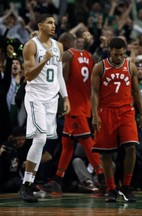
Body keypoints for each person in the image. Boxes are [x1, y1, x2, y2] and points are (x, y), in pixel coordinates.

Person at [37, 32, 106, 195]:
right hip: (84, 105)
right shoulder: (89, 56)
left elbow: (62, 81)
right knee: (67, 143)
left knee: (87, 142)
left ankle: (103, 178)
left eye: (60, 44)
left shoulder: (67, 55)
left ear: (66, 43)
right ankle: (57, 180)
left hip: (73, 107)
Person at [18, 14, 70, 202]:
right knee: (39, 139)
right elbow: (29, 75)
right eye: (49, 22)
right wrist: (44, 59)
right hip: (35, 97)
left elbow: (59, 76)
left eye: (54, 23)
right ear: (40, 25)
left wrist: (65, 97)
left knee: (43, 141)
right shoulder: (31, 45)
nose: (53, 25)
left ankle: (29, 182)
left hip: (51, 99)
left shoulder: (59, 46)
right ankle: (26, 184)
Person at [91, 37, 142, 202]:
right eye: (116, 54)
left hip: (126, 111)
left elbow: (136, 92)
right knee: (107, 154)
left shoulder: (130, 66)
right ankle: (111, 188)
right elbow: (94, 92)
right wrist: (94, 115)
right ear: (110, 51)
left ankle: (126, 186)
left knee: (131, 147)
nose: (119, 57)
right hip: (106, 111)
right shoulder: (99, 67)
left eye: (122, 54)